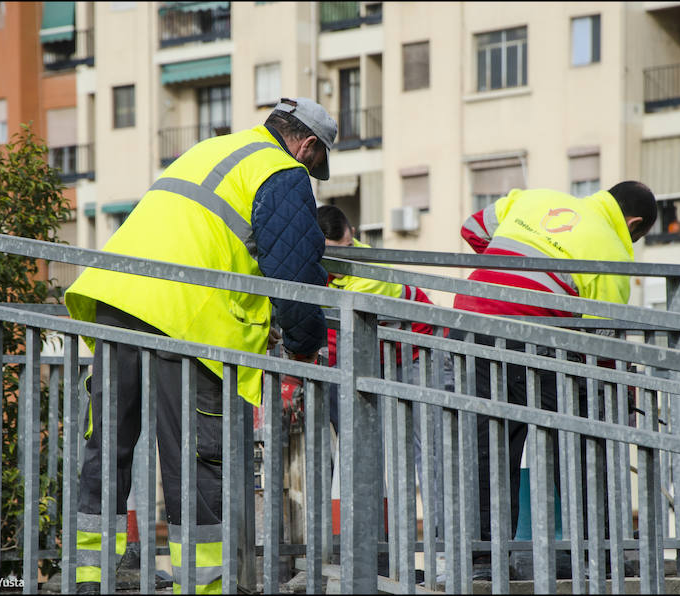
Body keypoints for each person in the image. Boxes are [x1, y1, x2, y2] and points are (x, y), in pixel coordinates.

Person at [64, 97, 337, 594]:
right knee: (195, 459)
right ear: (308, 145)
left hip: (118, 298)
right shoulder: (281, 171)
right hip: (184, 318)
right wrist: (304, 342)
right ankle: (206, 586)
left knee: (107, 447)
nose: (311, 173)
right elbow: (295, 272)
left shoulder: (214, 149)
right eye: (315, 164)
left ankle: (88, 578)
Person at [452, 181, 657, 578]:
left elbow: (472, 230)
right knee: (579, 441)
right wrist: (620, 396)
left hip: (470, 321)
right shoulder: (613, 253)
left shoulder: (535, 197)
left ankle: (484, 561)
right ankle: (599, 553)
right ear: (633, 224)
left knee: (488, 447)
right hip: (533, 337)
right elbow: (602, 349)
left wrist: (509, 274)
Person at [317, 204, 447, 538]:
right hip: (375, 362)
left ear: (354, 237)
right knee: (363, 449)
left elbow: (337, 325)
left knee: (431, 452)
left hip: (422, 352)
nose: (343, 259)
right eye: (332, 254)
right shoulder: (317, 267)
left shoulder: (371, 270)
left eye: (346, 249)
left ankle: (444, 545)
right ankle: (374, 545)